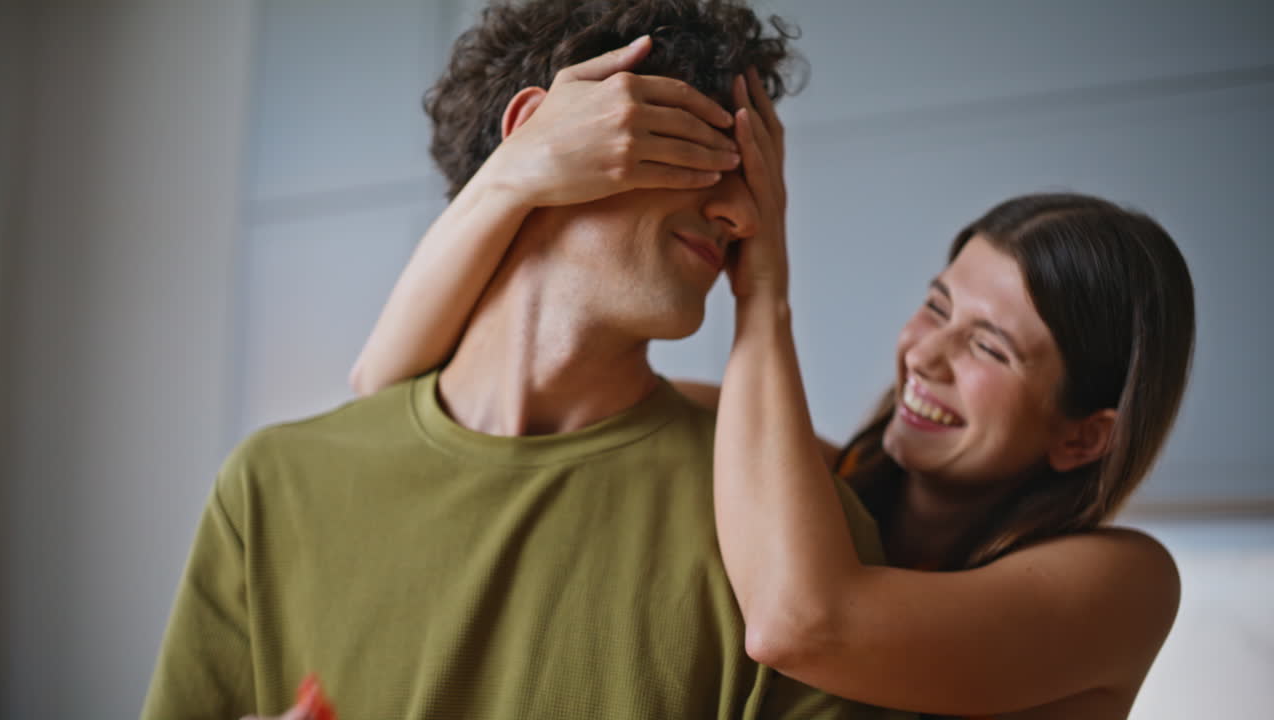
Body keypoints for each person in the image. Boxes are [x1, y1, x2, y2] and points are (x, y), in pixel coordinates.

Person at [352, 17, 1196, 720]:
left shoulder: (1125, 584)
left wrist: (763, 285)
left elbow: (803, 623)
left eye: (990, 347)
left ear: (1086, 436)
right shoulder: (809, 485)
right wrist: (515, 176)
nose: (925, 355)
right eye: (938, 307)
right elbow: (391, 394)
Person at [141, 2, 909, 719]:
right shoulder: (271, 490)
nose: (745, 215)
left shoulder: (791, 543)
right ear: (546, 136)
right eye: (702, 151)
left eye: (754, 179)